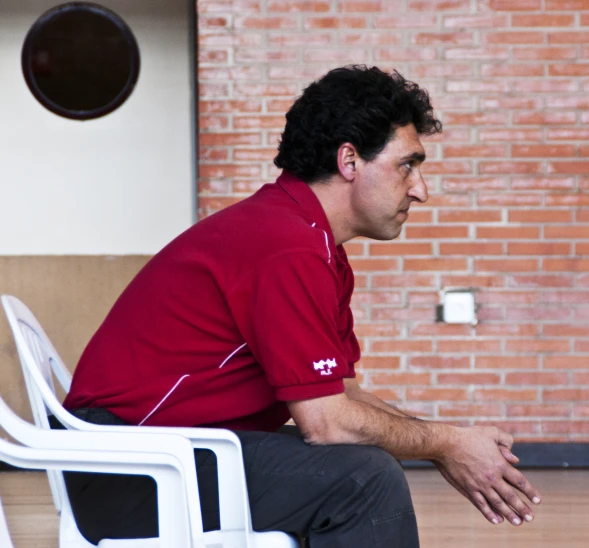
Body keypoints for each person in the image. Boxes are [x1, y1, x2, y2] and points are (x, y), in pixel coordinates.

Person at [61, 65, 541, 548]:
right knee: (361, 479)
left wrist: (445, 443)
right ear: (349, 161)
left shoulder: (307, 240)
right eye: (406, 165)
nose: (420, 189)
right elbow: (327, 423)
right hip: (125, 472)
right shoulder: (286, 245)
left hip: (158, 456)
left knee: (362, 462)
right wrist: (447, 444)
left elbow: (342, 397)